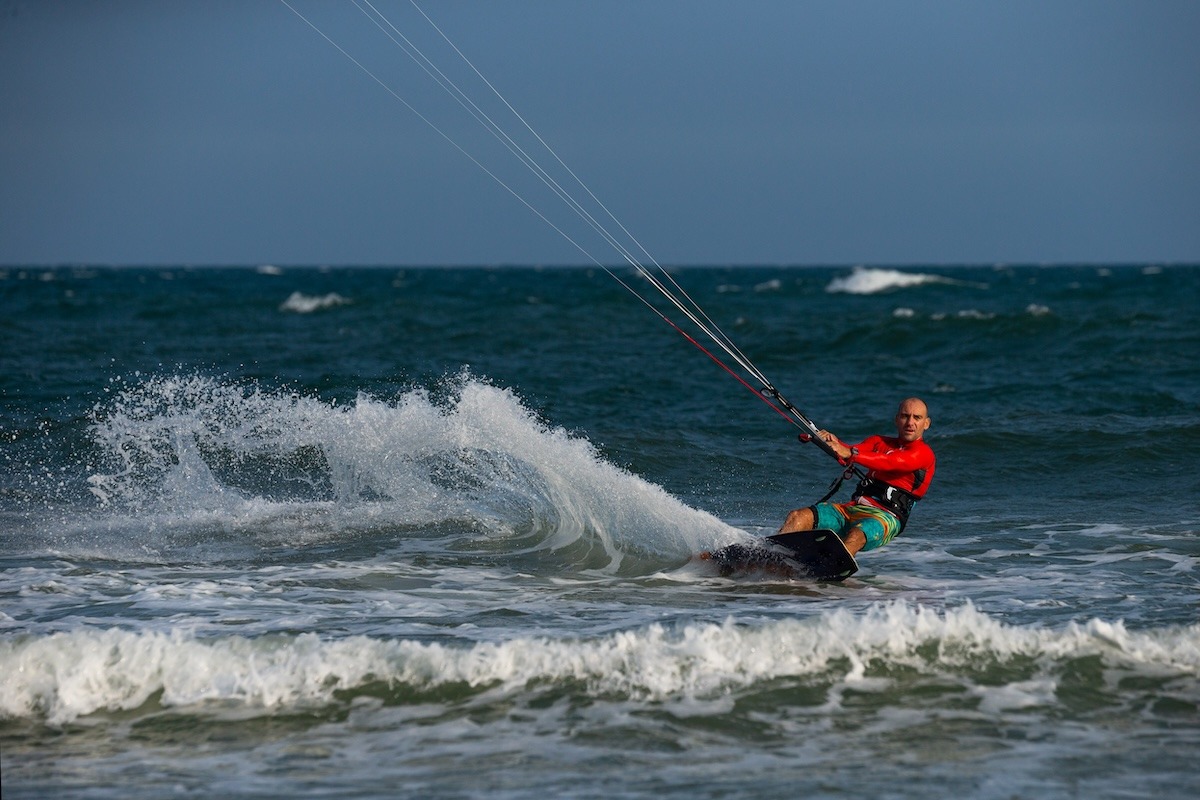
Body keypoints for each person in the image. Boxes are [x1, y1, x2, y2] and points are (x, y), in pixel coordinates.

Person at [779, 397, 935, 556]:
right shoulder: (878, 442)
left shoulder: (924, 454)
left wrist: (849, 453)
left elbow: (890, 462)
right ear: (897, 419)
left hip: (886, 517)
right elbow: (850, 450)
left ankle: (825, 570)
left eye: (917, 417)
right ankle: (772, 556)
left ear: (926, 423)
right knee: (797, 517)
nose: (910, 422)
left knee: (855, 536)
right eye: (905, 416)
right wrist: (831, 441)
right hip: (853, 508)